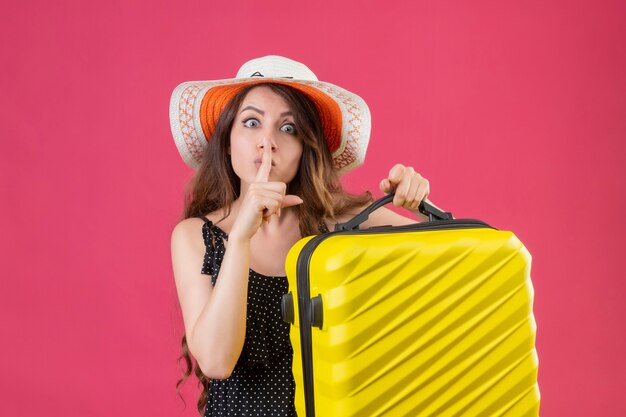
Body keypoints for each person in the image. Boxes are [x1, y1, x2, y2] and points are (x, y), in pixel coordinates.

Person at [170, 56, 433, 416]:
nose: (267, 142)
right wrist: (242, 237)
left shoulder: (344, 223)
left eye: (288, 128)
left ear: (306, 147)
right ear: (229, 141)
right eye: (251, 122)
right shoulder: (198, 236)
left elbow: (468, 263)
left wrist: (419, 205)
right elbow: (216, 362)